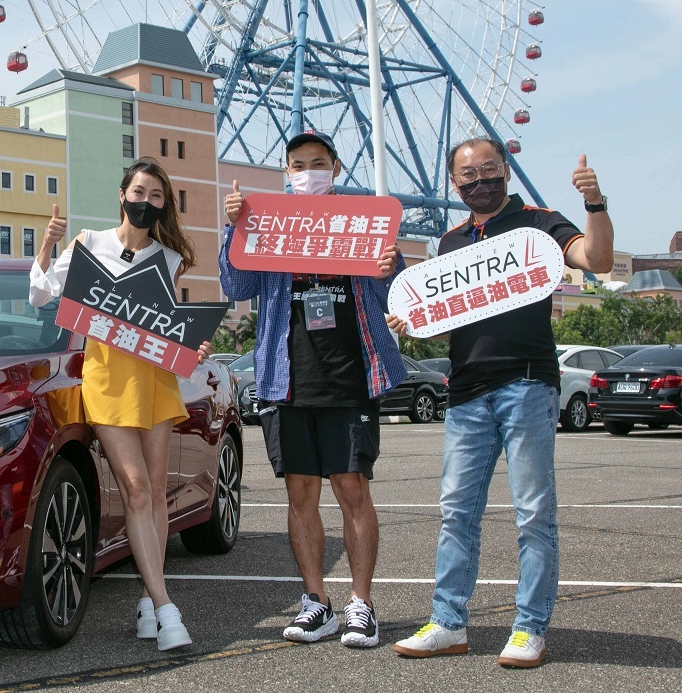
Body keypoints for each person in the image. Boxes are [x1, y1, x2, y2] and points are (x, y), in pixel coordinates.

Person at [391, 139, 613, 668]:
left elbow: (597, 259)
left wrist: (595, 203)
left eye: (489, 169)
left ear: (507, 171)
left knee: (533, 513)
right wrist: (413, 322)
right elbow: (447, 324)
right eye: (468, 174)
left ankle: (530, 628)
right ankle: (448, 623)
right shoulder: (451, 241)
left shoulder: (539, 223)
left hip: (527, 384)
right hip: (466, 391)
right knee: (455, 512)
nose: (480, 180)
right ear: (454, 183)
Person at [219, 131, 406, 649]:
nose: (308, 172)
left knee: (352, 489)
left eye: (318, 163)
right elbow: (236, 287)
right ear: (286, 172)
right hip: (286, 378)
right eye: (298, 165)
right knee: (300, 494)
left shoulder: (363, 221)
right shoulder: (268, 223)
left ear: (336, 167)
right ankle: (316, 602)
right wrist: (234, 228)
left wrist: (391, 266)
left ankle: (361, 603)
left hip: (350, 374)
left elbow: (395, 293)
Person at [29, 158, 213, 652]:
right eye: (139, 192)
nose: (146, 202)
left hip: (154, 379)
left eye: (156, 196)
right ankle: (166, 607)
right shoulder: (89, 243)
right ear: (121, 194)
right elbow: (40, 295)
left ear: (163, 205)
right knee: (134, 489)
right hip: (106, 378)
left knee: (154, 492)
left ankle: (149, 601)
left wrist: (192, 348)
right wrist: (48, 243)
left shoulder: (168, 258)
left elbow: (166, 326)